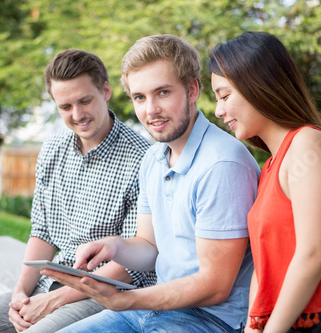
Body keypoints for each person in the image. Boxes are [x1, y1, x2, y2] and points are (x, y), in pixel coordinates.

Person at [43, 34, 260, 333]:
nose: (151, 110)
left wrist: (126, 299)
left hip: (209, 321)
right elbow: (148, 246)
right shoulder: (155, 157)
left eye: (163, 93)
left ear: (192, 89)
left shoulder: (222, 164)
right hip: (156, 308)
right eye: (140, 97)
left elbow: (215, 286)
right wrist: (112, 246)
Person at [0, 49, 156, 333]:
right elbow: (43, 232)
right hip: (50, 283)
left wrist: (53, 301)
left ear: (106, 91)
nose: (78, 115)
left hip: (104, 294)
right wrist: (20, 294)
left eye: (85, 101)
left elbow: (131, 266)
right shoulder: (52, 149)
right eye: (65, 107)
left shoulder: (143, 159)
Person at [208, 31, 321, 333]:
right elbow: (264, 268)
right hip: (287, 323)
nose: (218, 110)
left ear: (259, 85)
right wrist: (254, 327)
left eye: (225, 96)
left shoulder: (309, 145)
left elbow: (313, 254)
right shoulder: (269, 168)